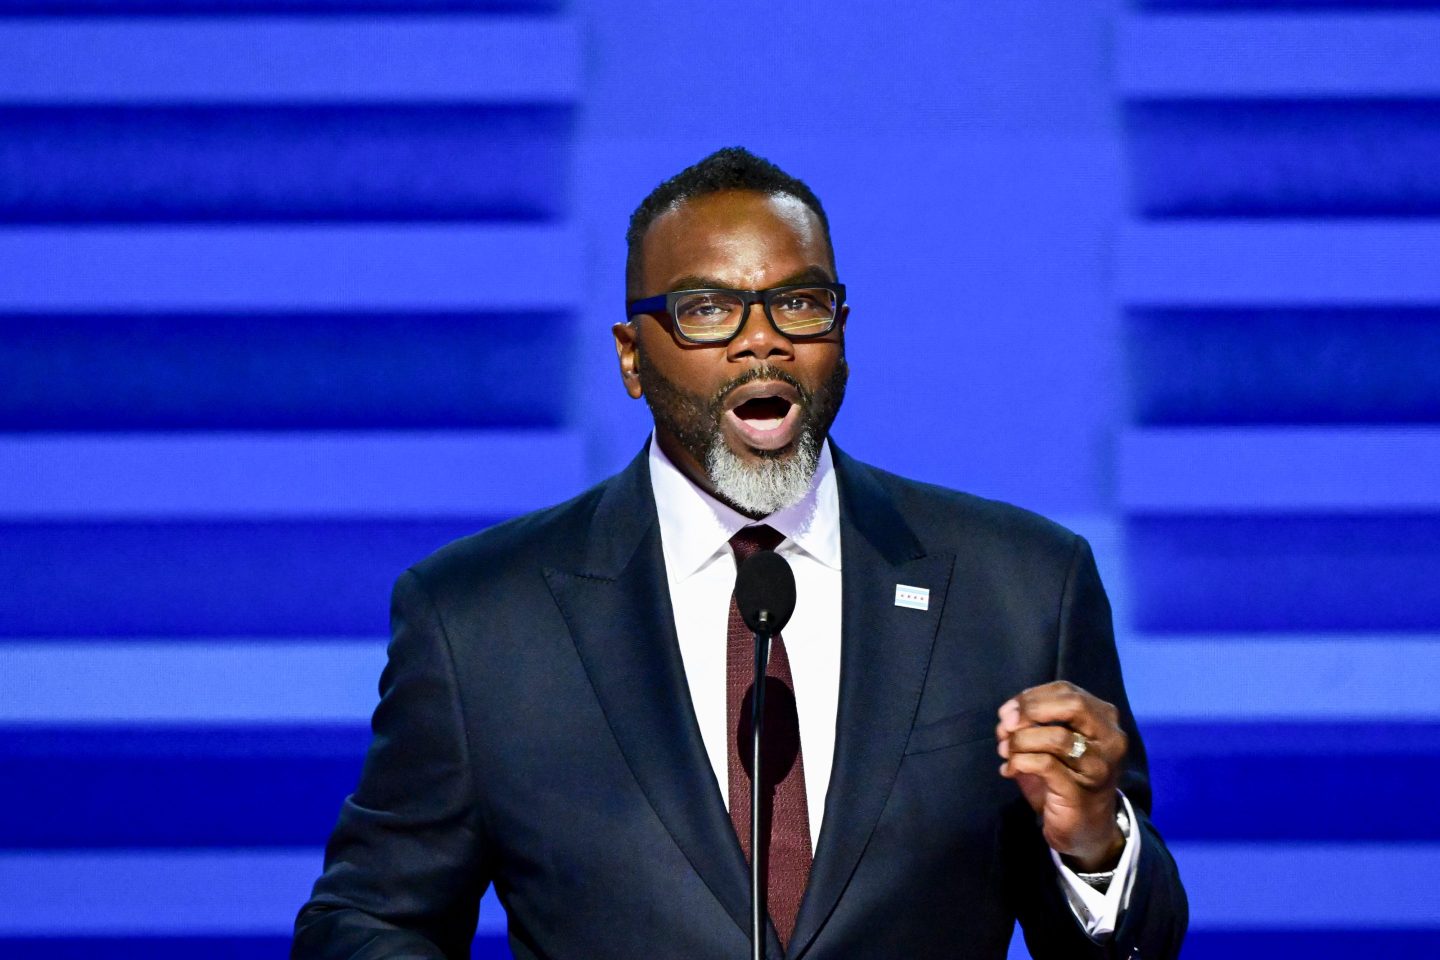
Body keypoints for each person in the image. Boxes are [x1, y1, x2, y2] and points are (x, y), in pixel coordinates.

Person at [292, 147, 1187, 959]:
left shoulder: (1022, 587)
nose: (763, 339)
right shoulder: (481, 619)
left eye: (800, 303)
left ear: (841, 335)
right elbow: (368, 921)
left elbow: (1133, 948)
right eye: (708, 309)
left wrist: (1094, 845)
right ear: (631, 357)